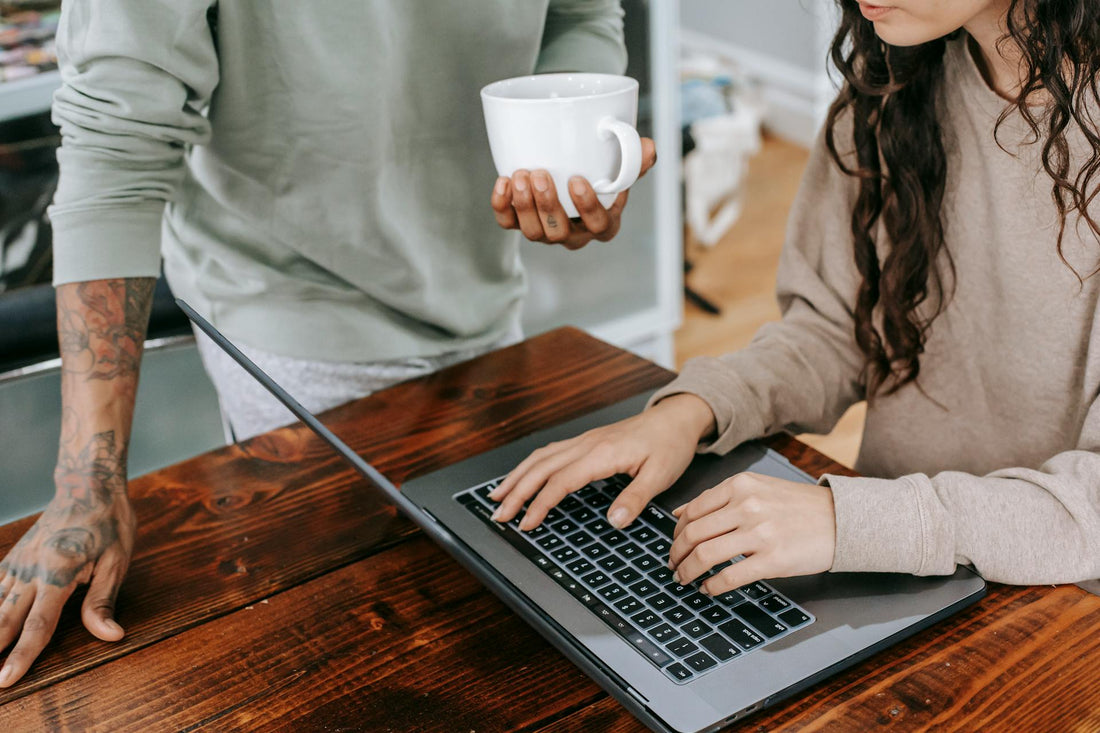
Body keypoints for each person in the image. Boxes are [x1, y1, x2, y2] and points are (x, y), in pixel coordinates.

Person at [0, 1, 656, 687]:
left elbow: (580, 14)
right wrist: (85, 481)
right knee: (363, 663)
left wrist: (563, 153)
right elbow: (116, 151)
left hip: (482, 295)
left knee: (514, 650)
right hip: (291, 321)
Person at [494, 0, 1100, 597]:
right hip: (891, 575)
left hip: (1058, 612)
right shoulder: (895, 85)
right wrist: (692, 410)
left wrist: (851, 522)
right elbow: (837, 331)